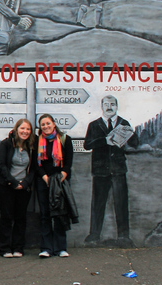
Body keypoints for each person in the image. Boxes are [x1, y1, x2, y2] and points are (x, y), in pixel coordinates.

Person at [83, 95, 139, 248]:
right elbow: (87, 145)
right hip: (100, 170)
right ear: (102, 106)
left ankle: (123, 236)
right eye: (106, 104)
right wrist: (104, 141)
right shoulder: (94, 125)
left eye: (112, 104)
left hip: (118, 170)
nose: (109, 107)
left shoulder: (124, 123)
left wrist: (131, 134)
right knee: (98, 203)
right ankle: (94, 235)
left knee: (121, 203)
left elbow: (135, 144)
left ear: (117, 106)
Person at [0, 118, 36, 258]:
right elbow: (1, 165)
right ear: (17, 129)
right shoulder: (6, 144)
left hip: (23, 188)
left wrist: (24, 183)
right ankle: (5, 248)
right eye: (22, 128)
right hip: (6, 186)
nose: (25, 131)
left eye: (28, 129)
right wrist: (13, 182)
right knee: (6, 217)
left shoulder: (31, 147)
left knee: (21, 217)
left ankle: (18, 247)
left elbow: (34, 169)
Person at [34, 114, 74, 258]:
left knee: (59, 215)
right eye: (43, 125)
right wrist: (45, 178)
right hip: (43, 181)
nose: (46, 126)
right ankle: (46, 248)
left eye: (48, 123)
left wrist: (61, 177)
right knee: (45, 215)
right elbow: (36, 164)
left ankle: (60, 248)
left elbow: (69, 162)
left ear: (54, 124)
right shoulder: (36, 142)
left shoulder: (65, 140)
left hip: (60, 182)